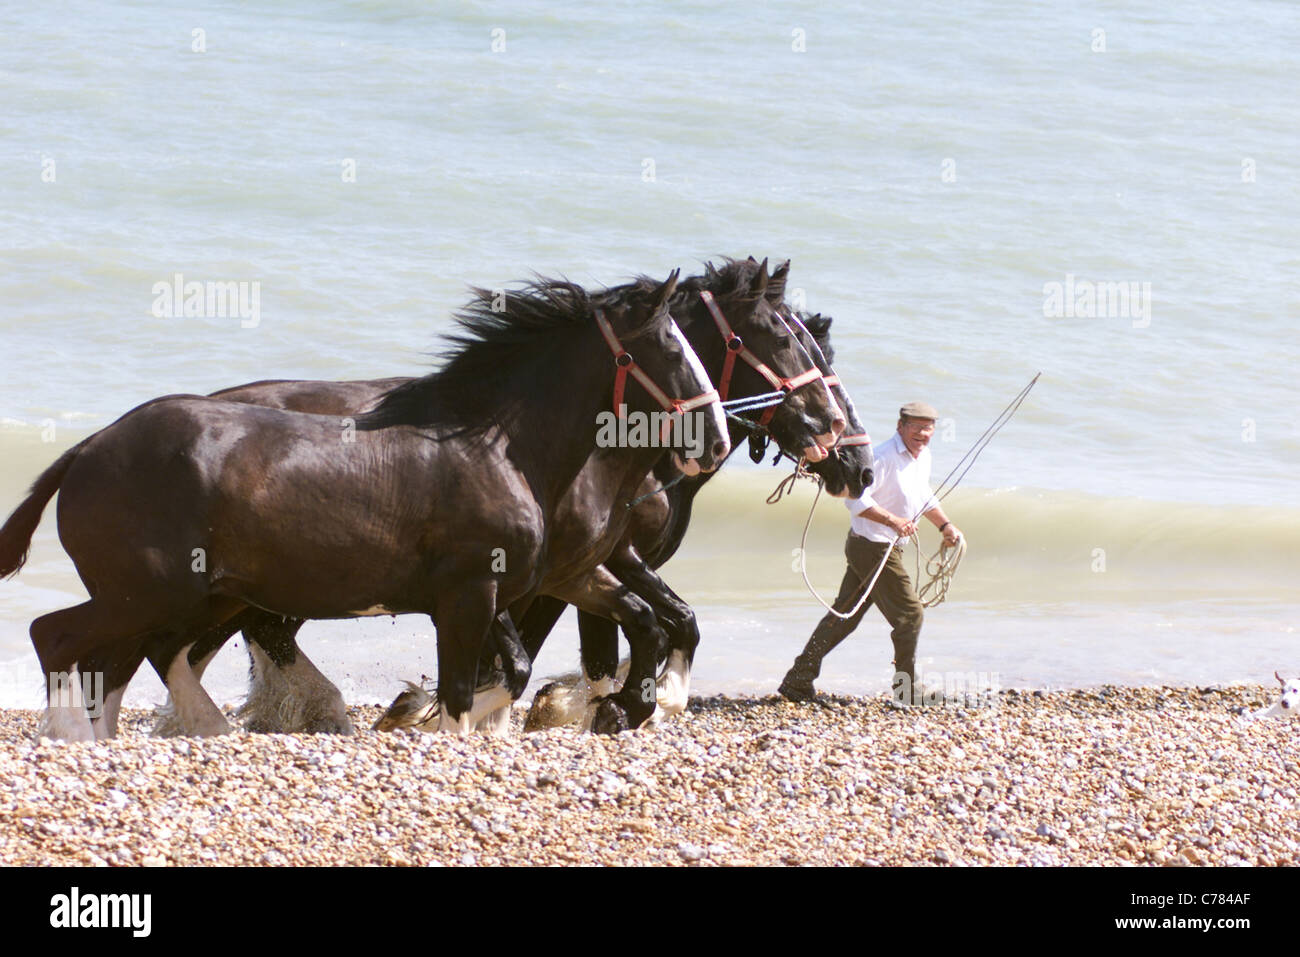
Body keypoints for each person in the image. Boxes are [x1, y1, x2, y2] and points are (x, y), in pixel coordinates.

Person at [778, 401, 962, 706]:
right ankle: (907, 690)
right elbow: (855, 500)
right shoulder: (881, 457)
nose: (921, 433)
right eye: (914, 426)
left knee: (844, 617)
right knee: (910, 615)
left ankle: (798, 678)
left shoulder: (923, 456)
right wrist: (894, 520)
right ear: (900, 426)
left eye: (927, 427)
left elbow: (922, 495)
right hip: (871, 547)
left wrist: (945, 525)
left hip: (886, 547)